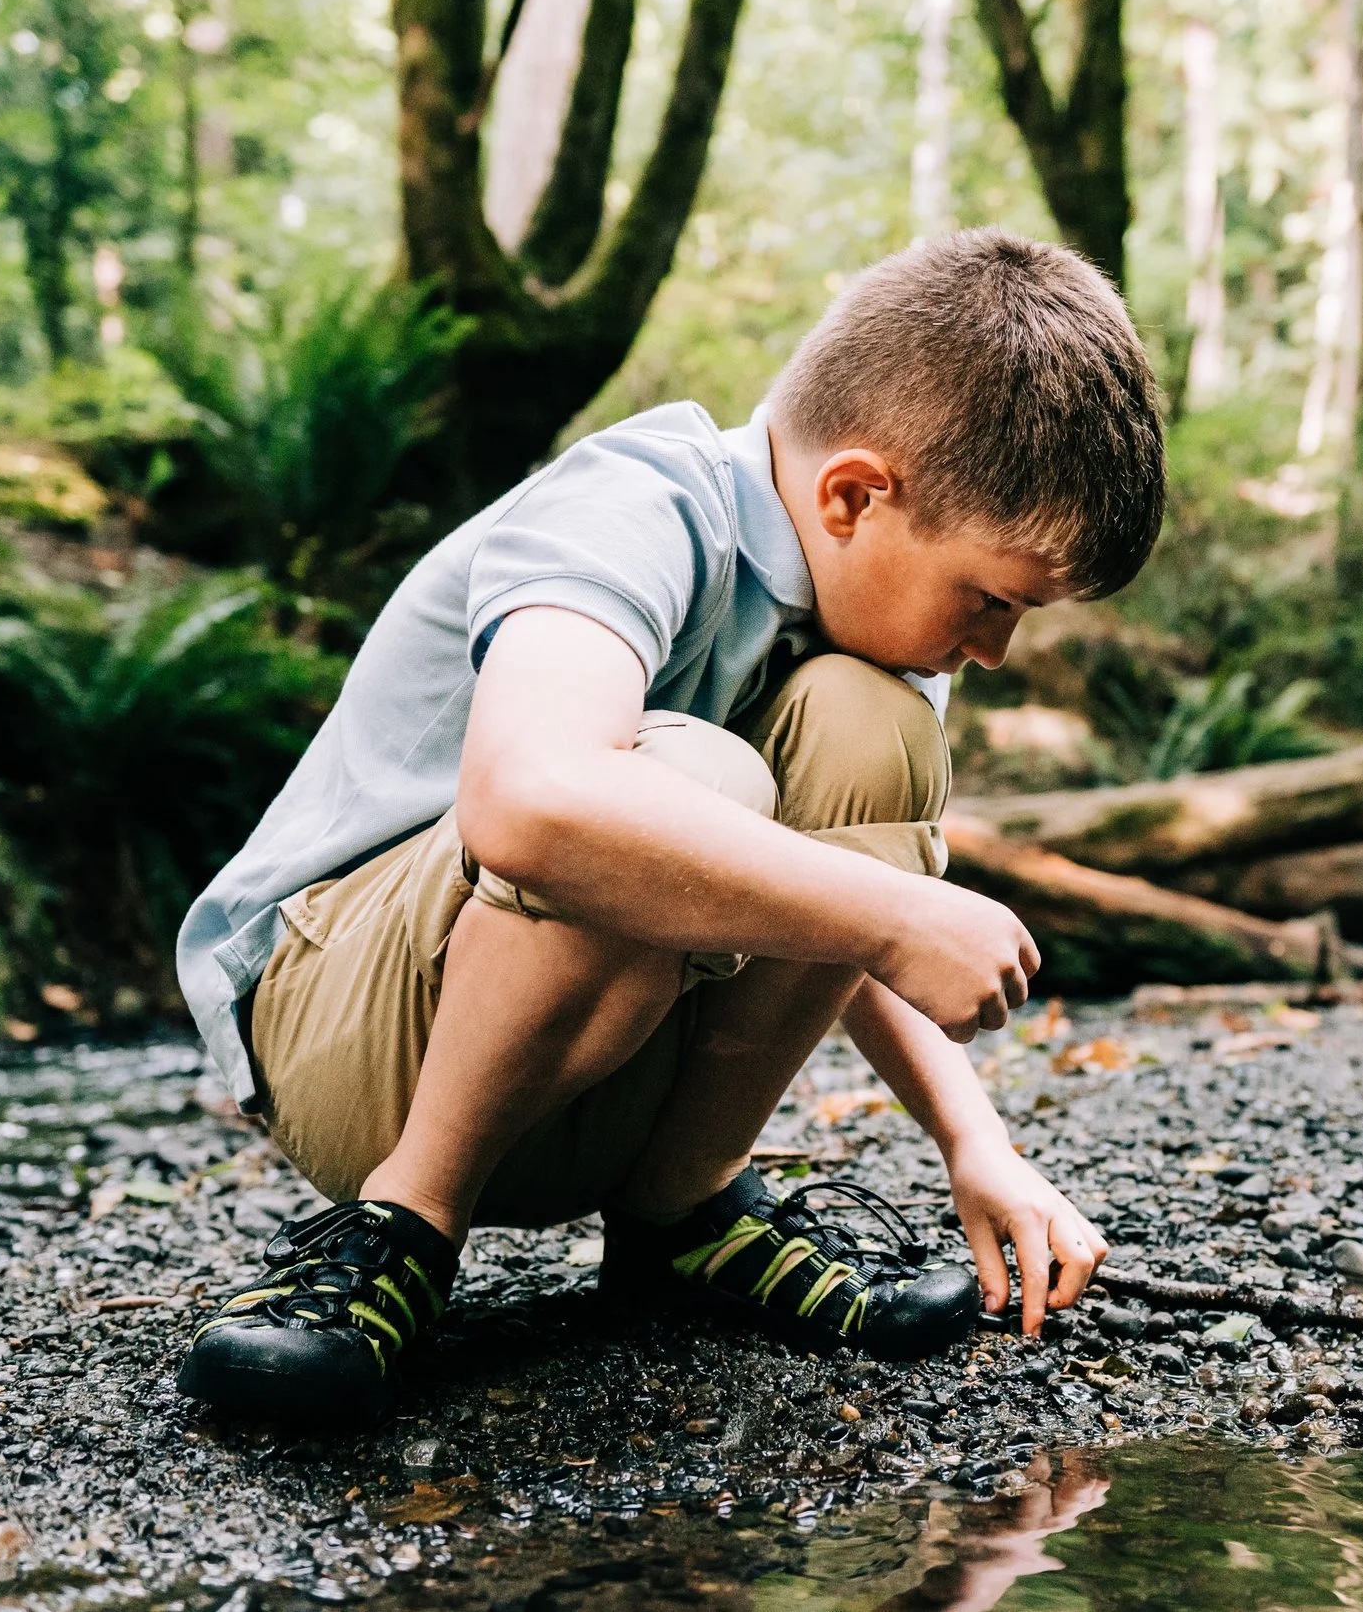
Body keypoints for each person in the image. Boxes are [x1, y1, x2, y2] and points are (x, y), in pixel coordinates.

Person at [172, 228, 1166, 1426]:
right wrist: (901, 911)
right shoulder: (637, 503)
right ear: (853, 495)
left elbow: (832, 906)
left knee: (872, 728)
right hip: (343, 1042)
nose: (995, 648)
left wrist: (976, 1142)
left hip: (583, 1076)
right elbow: (531, 801)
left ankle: (681, 1215)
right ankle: (402, 1226)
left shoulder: (874, 629)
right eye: (994, 598)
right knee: (682, 778)